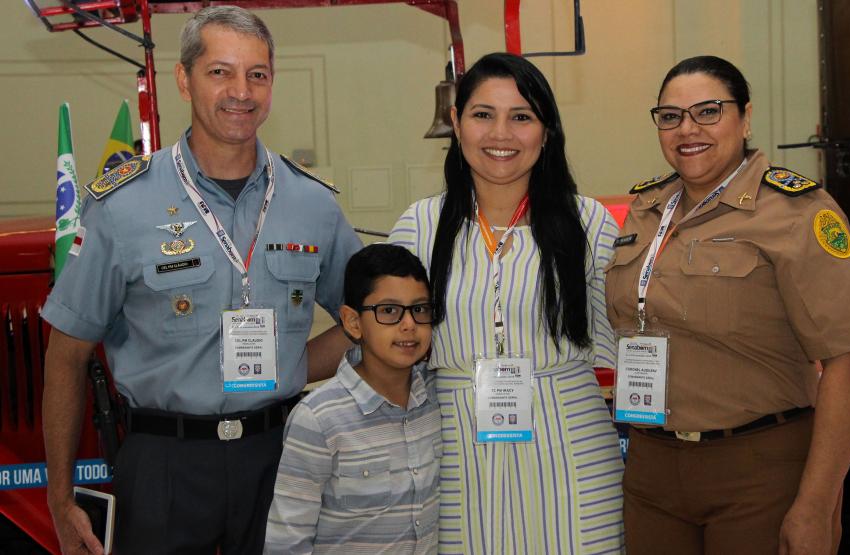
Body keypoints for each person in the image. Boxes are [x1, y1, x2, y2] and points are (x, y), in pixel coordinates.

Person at [40, 6, 361, 554]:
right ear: (184, 80)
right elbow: (67, 354)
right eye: (220, 72)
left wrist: (287, 365)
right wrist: (59, 496)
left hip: (280, 456)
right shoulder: (122, 205)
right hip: (164, 465)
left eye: (257, 74)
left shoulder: (313, 203)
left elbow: (367, 319)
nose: (241, 92)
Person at [605, 55, 850, 554]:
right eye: (670, 116)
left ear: (746, 117)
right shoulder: (645, 211)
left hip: (758, 468)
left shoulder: (796, 212)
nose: (687, 129)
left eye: (708, 111)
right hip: (651, 469)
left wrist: (816, 505)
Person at [389, 52, 625, 553]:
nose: (501, 134)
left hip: (574, 445)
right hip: (455, 448)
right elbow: (390, 349)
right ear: (456, 122)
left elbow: (620, 341)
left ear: (547, 131)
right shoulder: (420, 227)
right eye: (483, 115)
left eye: (521, 116)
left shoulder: (590, 223)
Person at [265, 244, 441, 554]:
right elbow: (287, 542)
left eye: (420, 309)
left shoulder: (438, 397)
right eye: (389, 311)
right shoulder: (318, 419)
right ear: (352, 322)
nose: (409, 324)